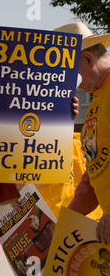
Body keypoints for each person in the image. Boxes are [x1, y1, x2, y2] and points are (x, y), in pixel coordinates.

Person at [54, 22, 110, 245]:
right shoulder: (98, 96)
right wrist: (67, 222)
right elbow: (95, 168)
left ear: (87, 59)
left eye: (70, 75)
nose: (73, 87)